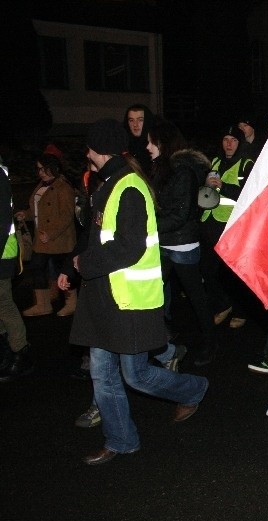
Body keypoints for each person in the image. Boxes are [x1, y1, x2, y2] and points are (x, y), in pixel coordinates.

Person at [70, 119, 208, 465]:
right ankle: (120, 439)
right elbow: (97, 238)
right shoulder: (108, 183)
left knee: (137, 375)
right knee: (102, 374)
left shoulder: (128, 187)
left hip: (128, 300)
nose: (85, 152)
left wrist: (85, 265)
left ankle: (193, 388)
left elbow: (129, 248)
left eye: (88, 147)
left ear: (97, 150)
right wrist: (74, 265)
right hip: (105, 297)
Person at [146, 118, 217, 366]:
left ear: (162, 143)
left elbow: (180, 214)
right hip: (165, 242)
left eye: (151, 142)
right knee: (153, 292)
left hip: (183, 246)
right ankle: (161, 339)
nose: (147, 147)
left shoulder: (182, 171)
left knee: (196, 297)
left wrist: (148, 227)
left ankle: (210, 344)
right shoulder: (163, 168)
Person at [198, 125, 254, 344]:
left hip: (231, 226)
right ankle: (223, 304)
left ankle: (240, 310)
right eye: (225, 139)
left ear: (240, 143)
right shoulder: (216, 162)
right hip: (209, 222)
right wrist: (206, 185)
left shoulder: (246, 164)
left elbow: (249, 194)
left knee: (233, 274)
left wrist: (224, 186)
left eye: (233, 140)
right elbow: (206, 193)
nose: (229, 143)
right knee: (207, 269)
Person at [15, 152, 77, 317]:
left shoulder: (63, 187)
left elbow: (66, 216)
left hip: (59, 239)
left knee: (62, 271)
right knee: (37, 268)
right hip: (42, 239)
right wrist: (26, 214)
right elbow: (39, 210)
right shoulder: (41, 185)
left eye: (44, 169)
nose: (41, 172)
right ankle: (43, 304)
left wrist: (50, 234)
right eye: (39, 169)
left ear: (53, 168)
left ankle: (71, 303)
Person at [0, 165, 32, 383]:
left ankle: (20, 353)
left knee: (4, 303)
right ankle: (8, 352)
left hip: (3, 253)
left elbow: (2, 221)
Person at [123, 103, 156, 176]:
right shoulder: (123, 146)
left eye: (140, 120)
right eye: (131, 120)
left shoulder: (155, 146)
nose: (135, 124)